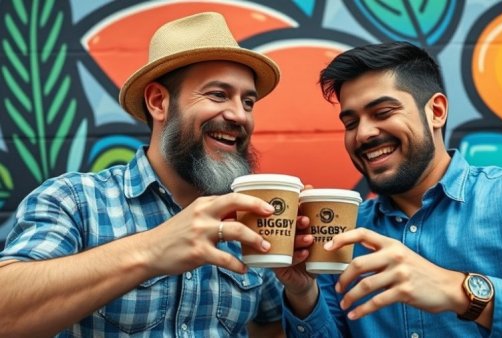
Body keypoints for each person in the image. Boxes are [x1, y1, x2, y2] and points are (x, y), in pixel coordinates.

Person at [277, 41, 502, 337]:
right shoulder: (345, 232)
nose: (363, 134)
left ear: (436, 111)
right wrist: (304, 292)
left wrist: (459, 291)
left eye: (383, 113)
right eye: (350, 122)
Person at [0, 12, 287, 337]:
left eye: (248, 102)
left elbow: (272, 328)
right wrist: (151, 250)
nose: (239, 115)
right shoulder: (76, 200)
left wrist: (303, 291)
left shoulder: (249, 218)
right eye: (218, 95)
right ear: (158, 102)